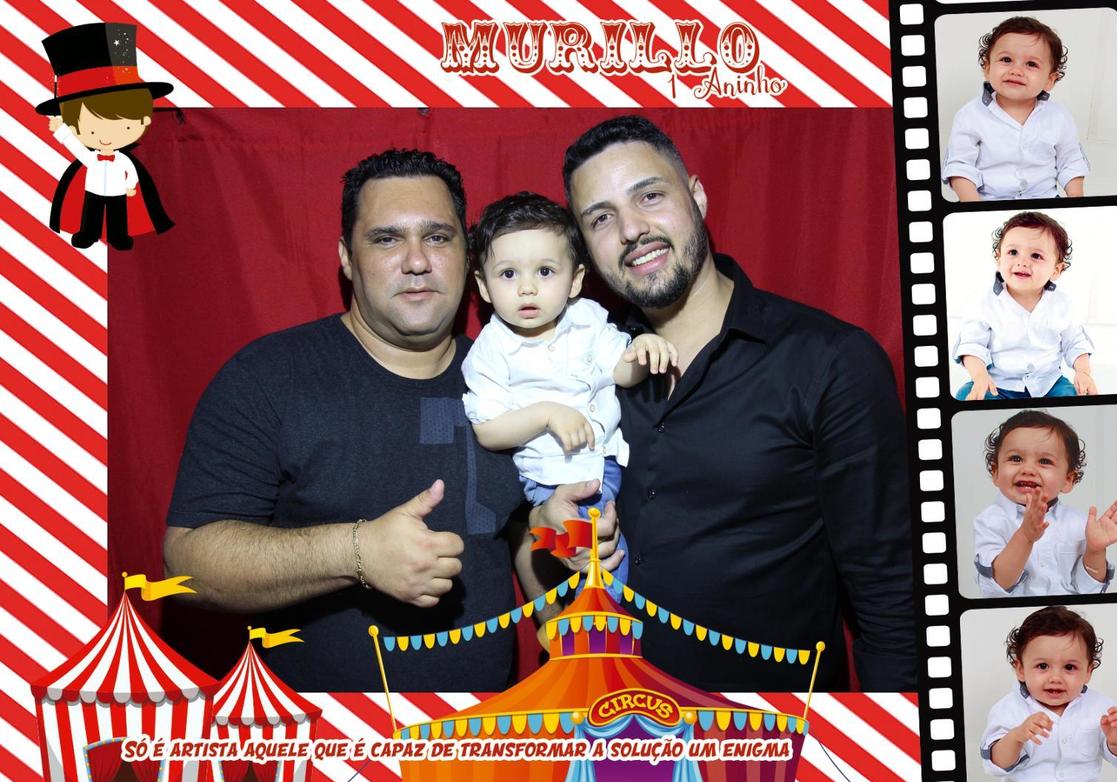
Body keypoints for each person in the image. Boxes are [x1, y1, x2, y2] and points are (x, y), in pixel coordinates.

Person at [163, 150, 573, 691]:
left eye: (437, 237)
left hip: (481, 728)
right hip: (320, 731)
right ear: (347, 258)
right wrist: (355, 553)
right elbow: (187, 564)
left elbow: (516, 523)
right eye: (386, 239)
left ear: (467, 255)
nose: (416, 261)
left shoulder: (518, 382)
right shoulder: (269, 375)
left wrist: (558, 602)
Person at [558, 115, 916, 691]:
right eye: (601, 218)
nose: (631, 230)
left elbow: (892, 603)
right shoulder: (580, 368)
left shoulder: (829, 361)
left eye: (649, 196)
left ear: (697, 197)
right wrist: (550, 531)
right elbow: (540, 533)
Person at [462, 192, 676, 591]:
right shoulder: (490, 350)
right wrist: (546, 414)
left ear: (575, 279)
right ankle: (600, 622)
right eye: (508, 274)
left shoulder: (587, 319)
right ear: (484, 286)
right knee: (600, 557)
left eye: (545, 271)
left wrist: (642, 351)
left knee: (620, 547)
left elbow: (621, 372)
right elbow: (488, 430)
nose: (527, 288)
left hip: (607, 464)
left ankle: (603, 616)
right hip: (551, 478)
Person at [38, 23, 174, 249]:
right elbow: (77, 148)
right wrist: (62, 131)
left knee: (117, 214)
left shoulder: (123, 160)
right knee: (91, 212)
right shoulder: (91, 158)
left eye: (124, 127)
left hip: (117, 192)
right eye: (91, 130)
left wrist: (130, 185)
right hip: (93, 189)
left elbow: (131, 172)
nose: (106, 136)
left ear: (144, 120)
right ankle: (88, 233)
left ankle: (118, 235)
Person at [973, 410, 1117, 597]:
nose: (1028, 469)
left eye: (1044, 461)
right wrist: (1025, 536)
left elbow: (1089, 589)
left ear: (1067, 480)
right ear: (995, 472)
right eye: (1016, 458)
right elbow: (997, 585)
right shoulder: (990, 521)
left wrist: (1095, 551)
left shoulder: (1080, 524)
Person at [982, 606, 1117, 782]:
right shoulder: (1008, 708)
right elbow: (996, 764)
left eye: (1069, 667)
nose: (1056, 678)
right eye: (1043, 666)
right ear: (1021, 669)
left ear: (1088, 672)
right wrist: (1017, 736)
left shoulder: (1101, 708)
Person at [943, 16, 1089, 201]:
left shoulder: (1059, 117)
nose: (1016, 71)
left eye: (1031, 64)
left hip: (1044, 197)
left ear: (1050, 80)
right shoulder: (970, 116)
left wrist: (1075, 199)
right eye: (1006, 59)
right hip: (987, 200)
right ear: (987, 67)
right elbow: (960, 166)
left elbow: (1071, 161)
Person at [953, 211, 1096, 400]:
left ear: (1056, 270)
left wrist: (1083, 372)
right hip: (998, 383)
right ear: (998, 258)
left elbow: (1075, 342)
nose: (1022, 262)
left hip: (1048, 383)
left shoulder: (1062, 303)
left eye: (1036, 256)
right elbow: (972, 345)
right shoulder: (983, 302)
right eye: (1013, 252)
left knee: (1072, 395)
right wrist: (980, 377)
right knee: (965, 395)